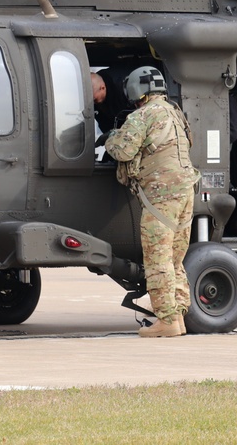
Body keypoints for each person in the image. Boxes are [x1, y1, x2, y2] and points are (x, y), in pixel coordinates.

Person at [104, 66, 200, 338]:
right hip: (185, 193)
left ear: (136, 91)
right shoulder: (174, 113)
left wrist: (110, 138)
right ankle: (178, 317)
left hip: (161, 196)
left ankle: (166, 320)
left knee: (157, 260)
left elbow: (122, 150)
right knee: (174, 260)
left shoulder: (142, 115)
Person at [91, 67, 133, 134]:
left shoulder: (124, 88)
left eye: (94, 99)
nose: (93, 103)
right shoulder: (95, 98)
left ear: (102, 88)